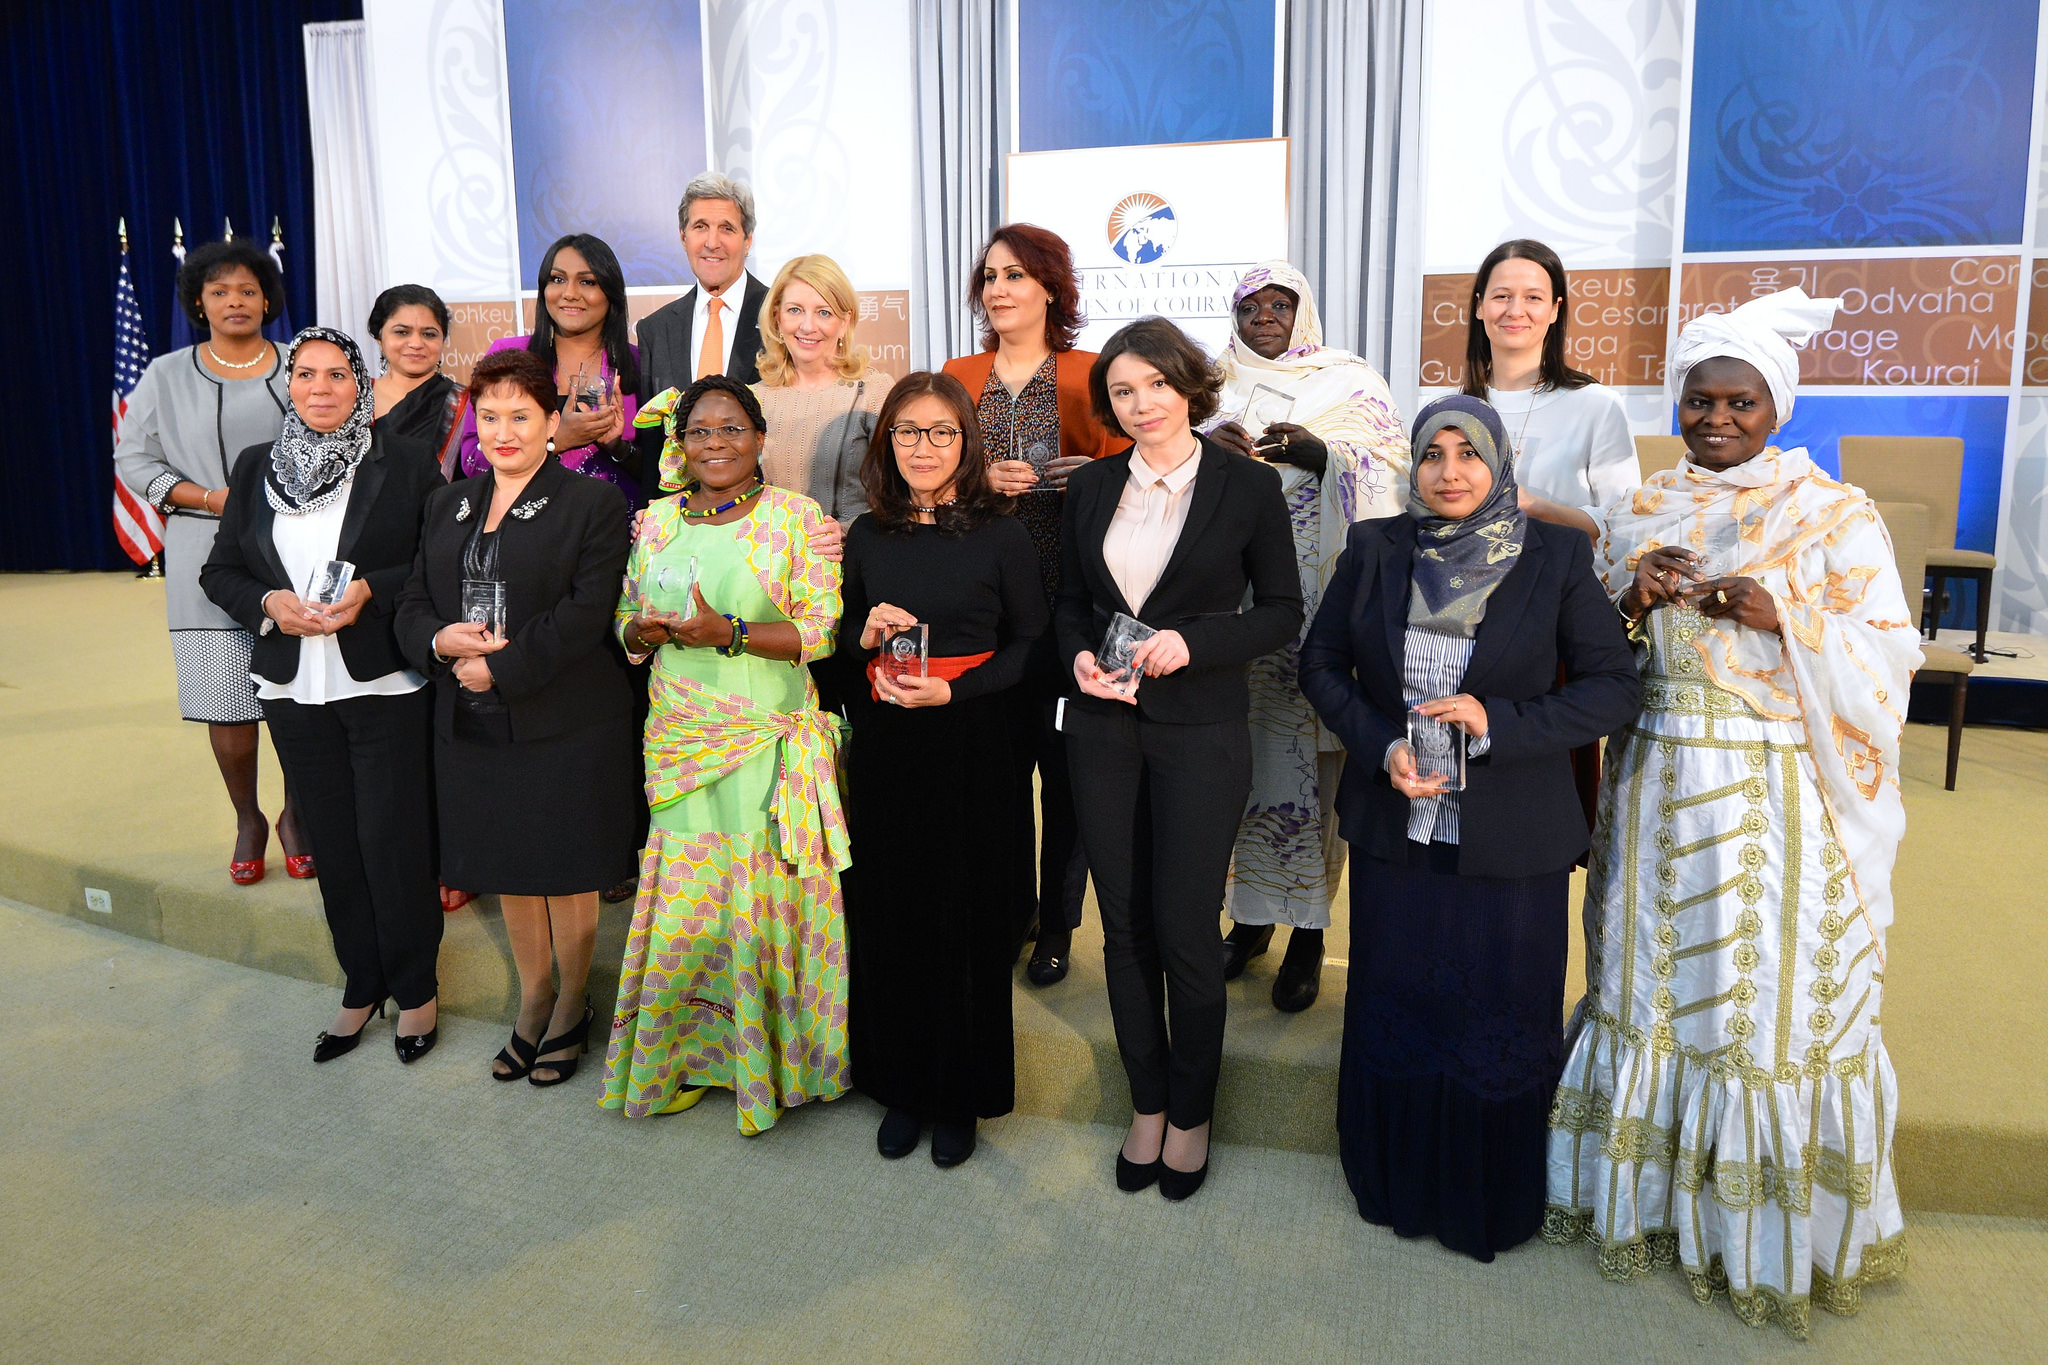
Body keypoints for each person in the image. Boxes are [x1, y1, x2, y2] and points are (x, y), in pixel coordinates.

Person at [1544, 289, 1920, 1337]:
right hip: (1653, 780)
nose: (1714, 419)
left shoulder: (1833, 514)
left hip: (1771, 799)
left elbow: (1892, 659)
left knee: (1755, 1001)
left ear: (1775, 408)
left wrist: (1779, 613)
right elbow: (1590, 659)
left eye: (1737, 403)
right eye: (1698, 400)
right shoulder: (1639, 511)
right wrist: (1631, 597)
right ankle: (1645, 1202)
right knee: (1649, 985)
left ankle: (1748, 1231)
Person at [1296, 395, 1641, 1261]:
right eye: (1433, 454)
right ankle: (1394, 1176)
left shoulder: (1556, 554)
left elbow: (1611, 686)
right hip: (1395, 826)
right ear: (1411, 465)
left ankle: (1489, 1190)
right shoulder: (1376, 549)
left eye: (1469, 453)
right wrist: (1378, 748)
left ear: (1499, 464)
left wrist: (1499, 723)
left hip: (1510, 838)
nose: (1450, 472)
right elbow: (1322, 663)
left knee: (1499, 1007)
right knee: (1397, 998)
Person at [1057, 318, 1303, 1200]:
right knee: (1121, 925)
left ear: (1188, 386)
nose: (1141, 403)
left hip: (1201, 731)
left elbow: (1281, 611)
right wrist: (1078, 657)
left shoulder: (1245, 485)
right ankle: (1148, 1102)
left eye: (1156, 384)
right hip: (1102, 728)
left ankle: (1193, 1111)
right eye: (1122, 391)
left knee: (1186, 926)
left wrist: (1194, 643)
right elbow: (1068, 606)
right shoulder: (1088, 488)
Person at [601, 376, 848, 1135]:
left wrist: (731, 634)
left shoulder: (798, 520)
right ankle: (682, 1055)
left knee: (755, 891)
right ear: (681, 444)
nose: (715, 443)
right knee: (684, 894)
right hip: (678, 732)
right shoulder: (652, 524)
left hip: (763, 737)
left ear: (760, 436)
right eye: (700, 431)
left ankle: (769, 1063)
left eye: (731, 428)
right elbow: (623, 625)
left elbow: (822, 631)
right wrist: (644, 632)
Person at [395, 348, 642, 1087]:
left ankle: (571, 1001)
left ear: (551, 420)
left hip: (563, 715)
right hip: (469, 717)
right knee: (510, 864)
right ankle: (532, 997)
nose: (504, 432)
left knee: (562, 867)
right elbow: (412, 600)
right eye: (490, 415)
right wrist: (441, 642)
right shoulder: (449, 501)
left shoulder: (591, 503)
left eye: (521, 417)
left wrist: (497, 663)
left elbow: (585, 614)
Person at [198, 328, 444, 1063]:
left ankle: (417, 987)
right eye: (306, 374)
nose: (321, 388)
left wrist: (373, 588)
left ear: (360, 384)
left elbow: (435, 561)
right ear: (290, 385)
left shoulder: (400, 461)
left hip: (381, 682)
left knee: (391, 836)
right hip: (291, 687)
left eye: (338, 374)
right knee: (332, 840)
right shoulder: (254, 469)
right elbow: (221, 572)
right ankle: (361, 981)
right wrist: (270, 603)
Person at [836, 372, 1047, 1168]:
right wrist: (864, 634)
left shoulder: (1002, 532)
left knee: (967, 920)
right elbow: (837, 650)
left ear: (967, 441)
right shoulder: (865, 534)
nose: (923, 447)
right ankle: (900, 1085)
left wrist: (955, 687)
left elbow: (1033, 644)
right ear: (887, 441)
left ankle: (960, 1095)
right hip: (890, 748)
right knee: (892, 917)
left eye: (941, 432)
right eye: (908, 432)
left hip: (977, 743)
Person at [1203, 261, 1412, 1013]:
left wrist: (1322, 456)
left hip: (1319, 613)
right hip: (1234, 614)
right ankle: (1251, 922)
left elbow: (1395, 477)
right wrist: (1208, 453)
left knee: (1313, 783)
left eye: (1279, 303)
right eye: (1250, 305)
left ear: (1304, 310)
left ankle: (1309, 936)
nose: (1265, 315)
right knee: (1241, 767)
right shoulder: (1209, 382)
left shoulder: (1349, 380)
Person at [943, 223, 1125, 986]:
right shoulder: (958, 372)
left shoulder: (1091, 372)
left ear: (1050, 285)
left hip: (1069, 606)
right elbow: (929, 470)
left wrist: (1094, 473)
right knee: (995, 773)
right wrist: (978, 483)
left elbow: (1141, 469)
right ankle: (1010, 905)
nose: (999, 289)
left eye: (1015, 275)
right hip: (982, 608)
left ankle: (1056, 922)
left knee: (1067, 775)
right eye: (989, 277)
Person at [114, 238, 311, 885]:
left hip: (297, 550)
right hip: (206, 553)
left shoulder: (300, 365)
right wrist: (207, 497)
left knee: (300, 696)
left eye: (248, 290)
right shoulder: (165, 375)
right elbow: (133, 459)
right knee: (227, 700)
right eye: (220, 291)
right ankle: (248, 816)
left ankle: (298, 814)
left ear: (266, 300)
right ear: (199, 300)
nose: (235, 301)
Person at [456, 234, 642, 503]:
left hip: (615, 531)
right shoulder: (509, 355)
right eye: (557, 279)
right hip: (526, 527)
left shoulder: (638, 362)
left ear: (610, 292)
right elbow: (473, 461)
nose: (569, 293)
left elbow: (664, 471)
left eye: (587, 282)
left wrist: (617, 447)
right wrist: (558, 440)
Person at [1461, 239, 1639, 511]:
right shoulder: (1445, 408)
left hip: (1568, 554)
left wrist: (1534, 507)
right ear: (1479, 306)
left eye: (1533, 297)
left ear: (1555, 309)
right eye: (1501, 296)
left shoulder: (1598, 406)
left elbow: (1622, 520)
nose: (1515, 311)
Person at [750, 254, 894, 524]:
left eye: (823, 312)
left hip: (852, 556)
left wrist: (848, 533)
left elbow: (899, 494)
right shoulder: (753, 399)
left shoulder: (873, 392)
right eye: (795, 310)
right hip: (774, 559)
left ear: (845, 322)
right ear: (777, 318)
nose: (807, 326)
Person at [636, 172, 771, 398]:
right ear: (683, 237)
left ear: (747, 240)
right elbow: (651, 430)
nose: (712, 243)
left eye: (726, 228)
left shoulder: (779, 316)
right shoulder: (655, 330)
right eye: (700, 227)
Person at [369, 283, 467, 476]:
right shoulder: (353, 398)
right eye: (402, 332)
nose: (416, 343)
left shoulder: (464, 403)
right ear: (379, 338)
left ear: (443, 340)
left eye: (429, 334)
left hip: (438, 505)